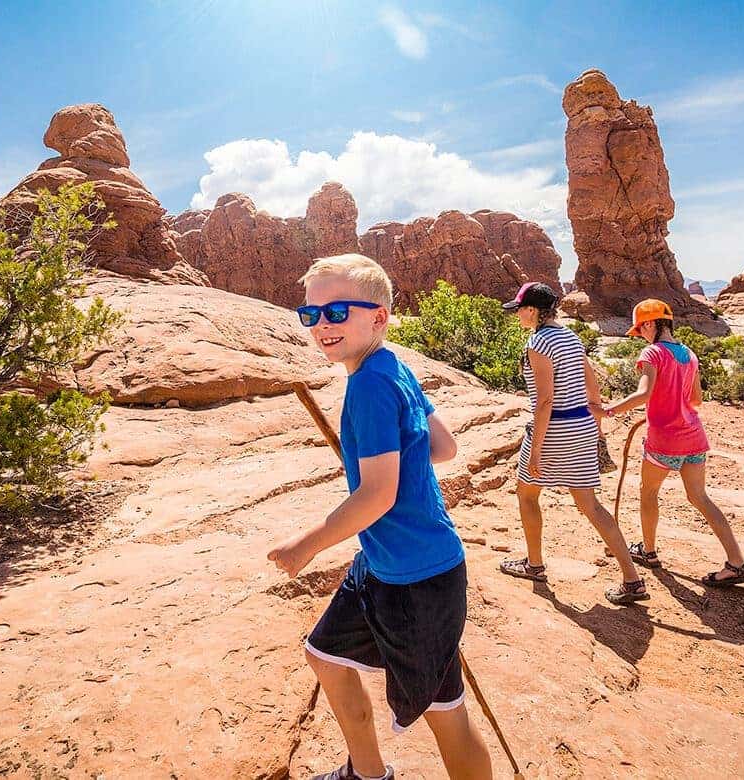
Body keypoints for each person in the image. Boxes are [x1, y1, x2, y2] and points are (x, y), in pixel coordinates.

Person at [267, 254, 492, 780]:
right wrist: (397, 453)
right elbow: (444, 446)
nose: (321, 324)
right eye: (311, 314)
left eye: (336, 312)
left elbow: (376, 497)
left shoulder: (369, 385)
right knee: (326, 655)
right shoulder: (393, 367)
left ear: (379, 316)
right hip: (384, 564)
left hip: (418, 581)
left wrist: (306, 545)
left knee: (446, 715)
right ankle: (367, 773)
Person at [497, 282, 649, 605]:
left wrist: (535, 450)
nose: (518, 315)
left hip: (554, 429)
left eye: (520, 310)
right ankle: (632, 579)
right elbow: (593, 387)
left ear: (533, 311)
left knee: (527, 494)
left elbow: (544, 401)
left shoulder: (538, 342)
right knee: (590, 505)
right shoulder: (571, 337)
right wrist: (597, 428)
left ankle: (534, 565)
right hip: (580, 426)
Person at [603, 299, 744, 587]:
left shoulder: (652, 352)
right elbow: (696, 399)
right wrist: (672, 405)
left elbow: (644, 394)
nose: (641, 335)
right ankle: (737, 563)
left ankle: (648, 552)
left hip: (665, 440)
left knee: (648, 493)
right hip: (694, 436)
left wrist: (608, 411)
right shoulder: (689, 353)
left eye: (641, 329)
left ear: (650, 323)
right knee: (700, 498)